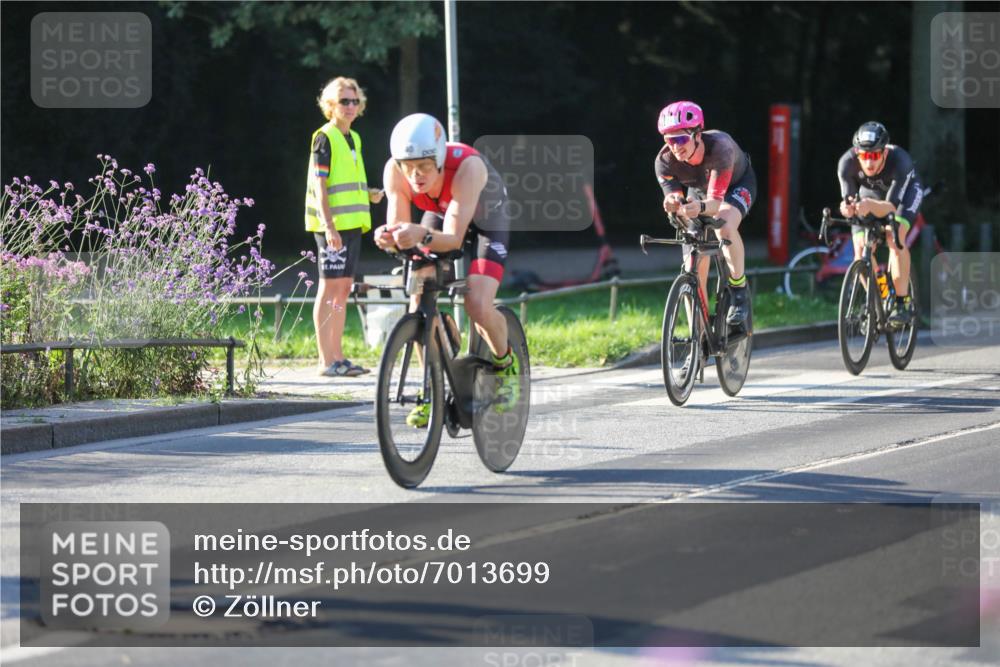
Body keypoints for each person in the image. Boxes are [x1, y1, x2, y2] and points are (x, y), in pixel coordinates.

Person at [372, 113, 515, 427]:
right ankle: (432, 390)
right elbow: (400, 229)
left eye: (423, 167)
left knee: (477, 304)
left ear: (439, 159)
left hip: (486, 217)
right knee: (418, 300)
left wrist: (418, 234)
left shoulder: (467, 167)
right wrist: (388, 237)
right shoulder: (394, 171)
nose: (416, 175)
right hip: (440, 213)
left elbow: (451, 240)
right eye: (408, 168)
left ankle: (506, 364)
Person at [304, 76, 384, 377]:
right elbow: (321, 186)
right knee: (329, 289)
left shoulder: (354, 137)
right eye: (344, 101)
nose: (351, 106)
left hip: (351, 225)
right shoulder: (324, 137)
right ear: (330, 105)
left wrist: (369, 194)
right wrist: (329, 227)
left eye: (354, 101)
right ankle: (326, 361)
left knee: (343, 289)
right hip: (332, 227)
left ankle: (338, 356)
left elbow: (346, 181)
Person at [654, 100, 757, 325]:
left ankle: (739, 291)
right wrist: (673, 202)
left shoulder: (721, 148)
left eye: (680, 139)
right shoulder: (664, 161)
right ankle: (698, 339)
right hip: (701, 190)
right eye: (669, 140)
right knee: (692, 259)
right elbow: (673, 197)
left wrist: (698, 208)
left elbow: (715, 204)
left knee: (724, 226)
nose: (675, 146)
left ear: (697, 135)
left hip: (735, 186)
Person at [837, 121, 921, 326]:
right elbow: (849, 200)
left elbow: (891, 207)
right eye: (864, 156)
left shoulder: (900, 161)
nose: (869, 163)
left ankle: (902, 303)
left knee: (895, 237)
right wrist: (847, 208)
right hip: (871, 195)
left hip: (904, 195)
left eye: (874, 155)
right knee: (860, 250)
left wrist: (867, 205)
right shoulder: (846, 163)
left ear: (884, 153)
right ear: (857, 154)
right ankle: (879, 298)